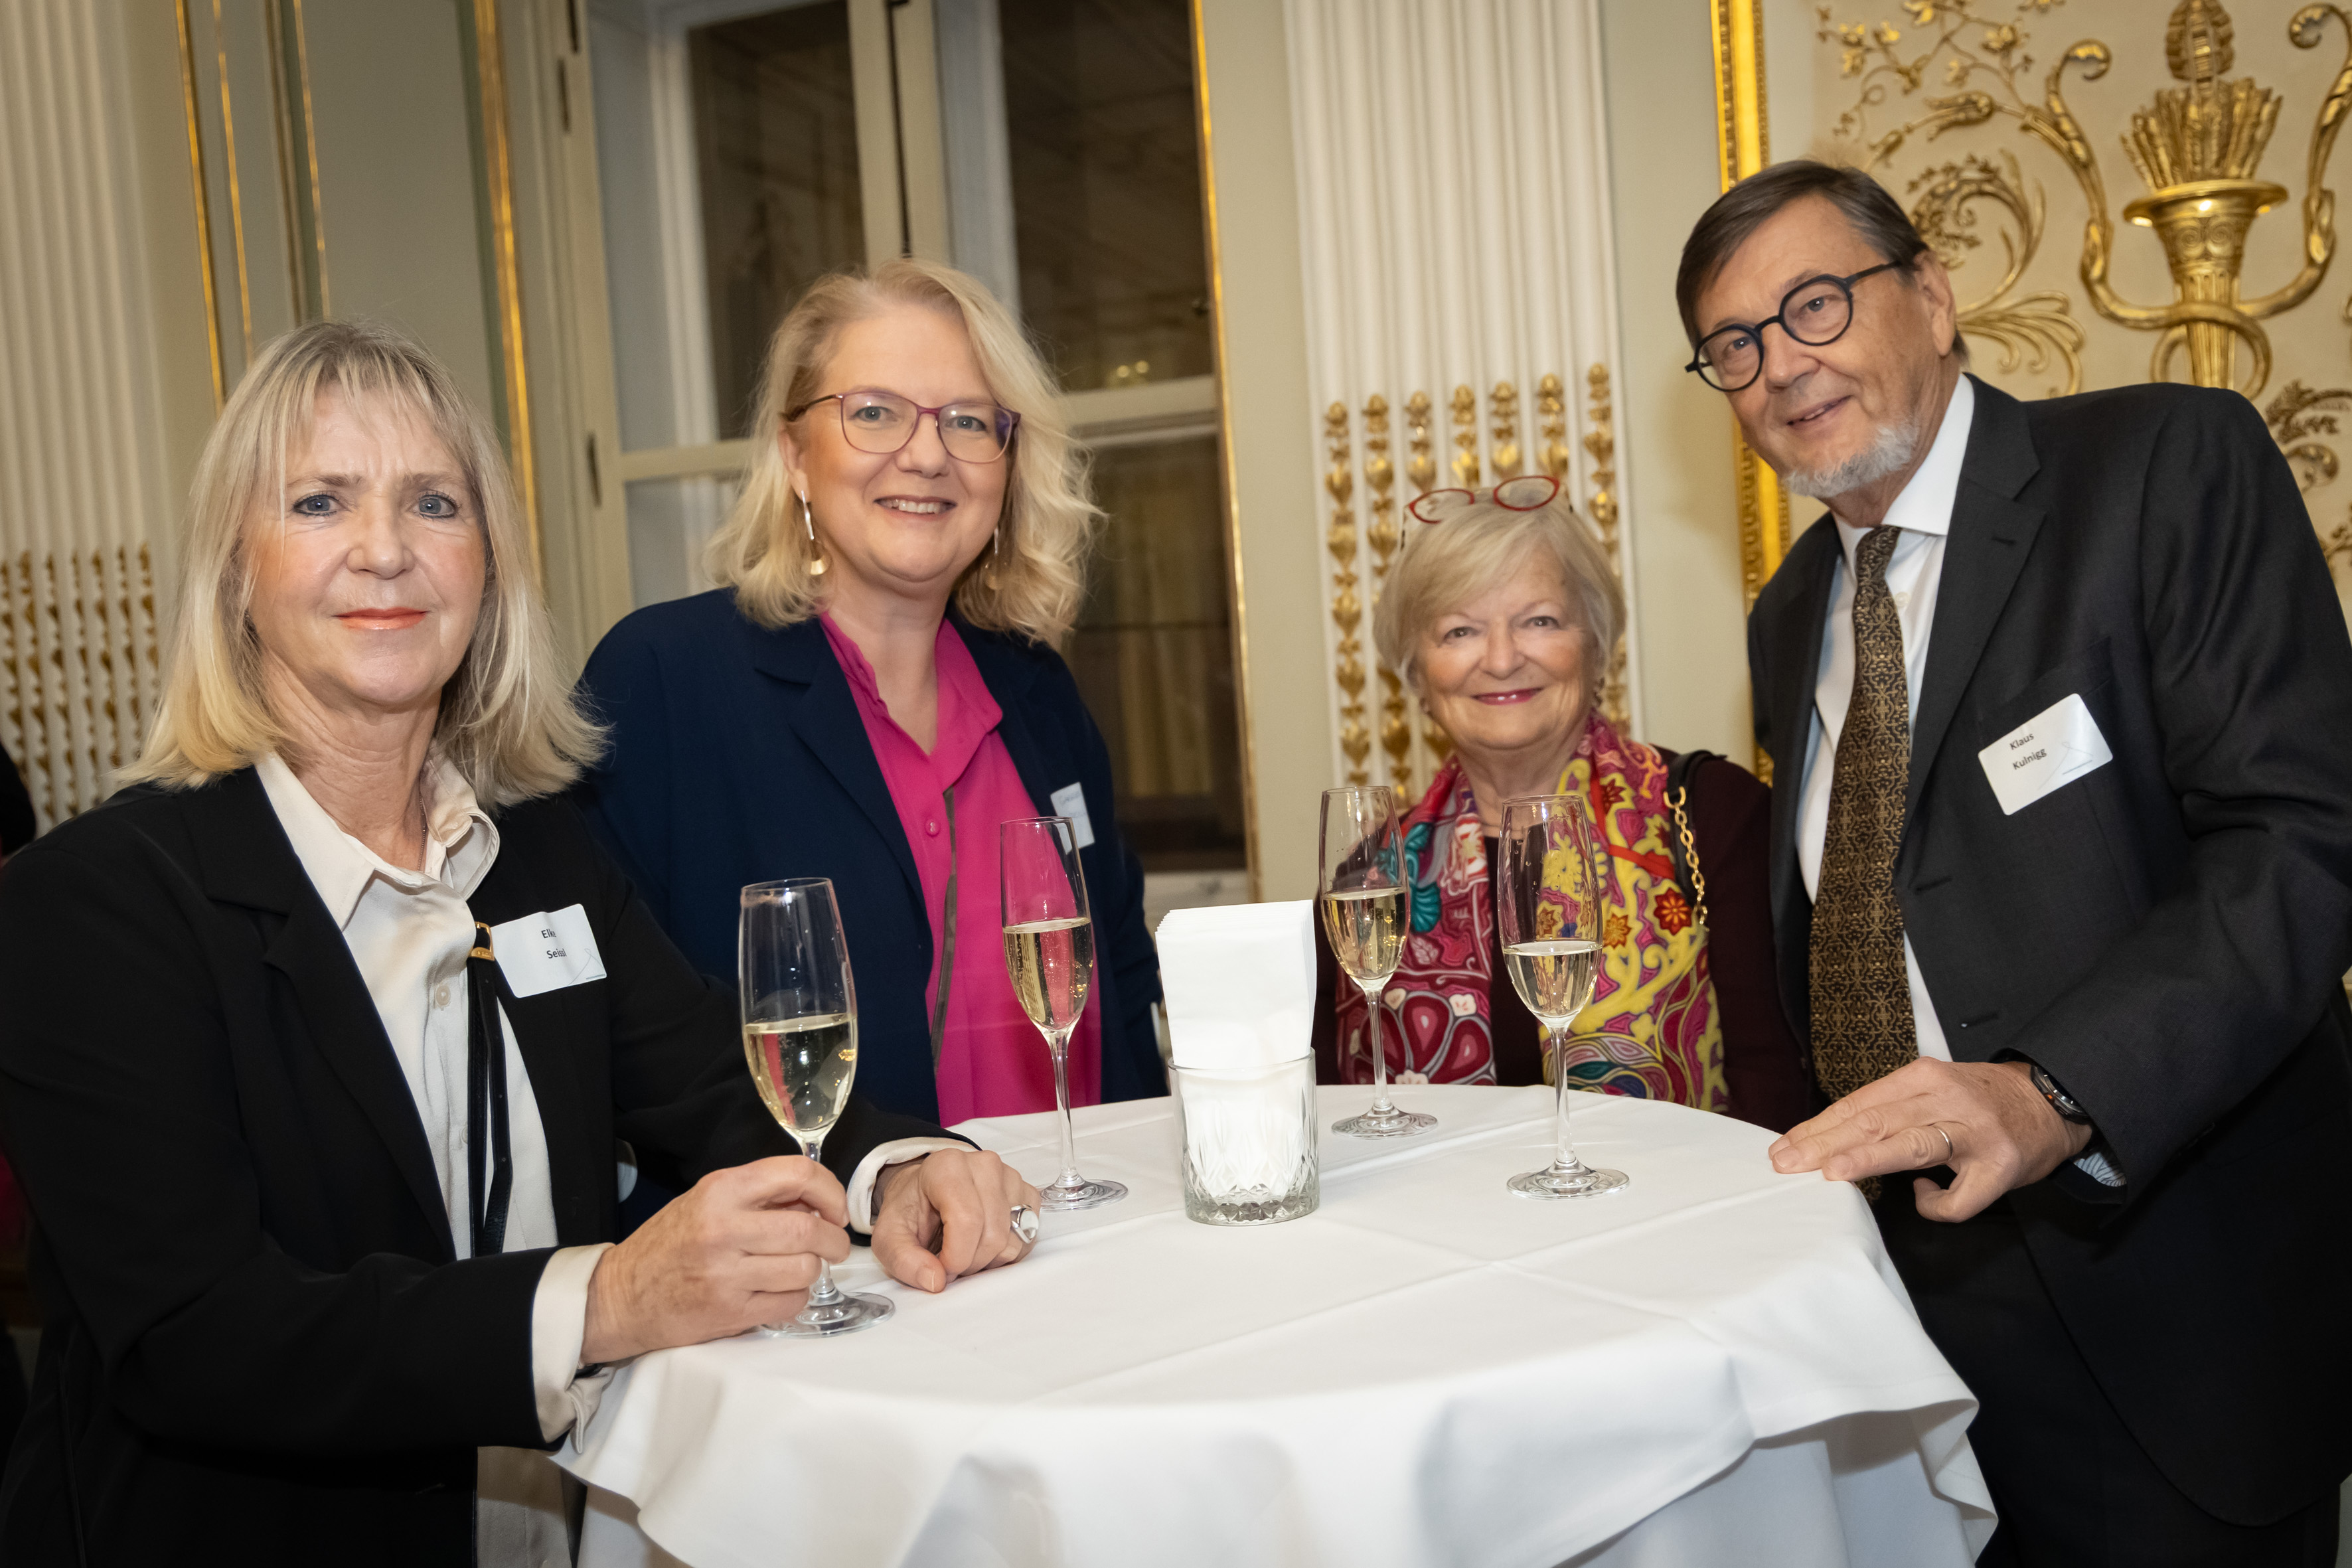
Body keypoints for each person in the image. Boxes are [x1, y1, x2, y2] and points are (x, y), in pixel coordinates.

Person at [0, 321, 1040, 1565]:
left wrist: (899, 1166)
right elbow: (200, 1337)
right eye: (320, 501)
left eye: (434, 503)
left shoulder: (536, 852)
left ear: (486, 566)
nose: (385, 547)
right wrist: (607, 1299)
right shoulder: (97, 905)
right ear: (237, 570)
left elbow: (715, 1082)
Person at [1680, 159, 2352, 1563]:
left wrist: (2052, 1091)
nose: (1779, 365)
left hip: (2164, 1287)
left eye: (1814, 305)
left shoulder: (2158, 467)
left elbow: (2298, 838)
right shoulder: (1788, 611)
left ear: (1929, 297)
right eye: (1732, 344)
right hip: (1903, 1310)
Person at [573, 259, 1162, 1129]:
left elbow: (1120, 983)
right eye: (875, 413)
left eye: (968, 421)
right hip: (814, 1216)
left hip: (1077, 1206)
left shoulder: (1040, 695)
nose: (925, 455)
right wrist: (877, 1178)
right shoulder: (663, 681)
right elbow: (616, 1032)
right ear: (794, 456)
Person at [1309, 477, 1813, 1132]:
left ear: (1595, 645)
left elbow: (1777, 1091)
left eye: (1539, 621)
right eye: (1459, 630)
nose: (1500, 659)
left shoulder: (1712, 813)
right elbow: (1329, 1109)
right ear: (1417, 675)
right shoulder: (1371, 873)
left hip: (1675, 1193)